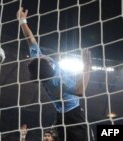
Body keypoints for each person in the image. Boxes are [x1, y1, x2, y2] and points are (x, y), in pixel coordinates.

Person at [17, 7, 92, 141]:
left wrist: (23, 21)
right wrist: (87, 66)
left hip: (60, 115)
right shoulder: (56, 81)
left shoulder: (38, 62)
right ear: (46, 65)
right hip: (73, 116)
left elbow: (30, 39)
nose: (38, 55)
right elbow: (80, 91)